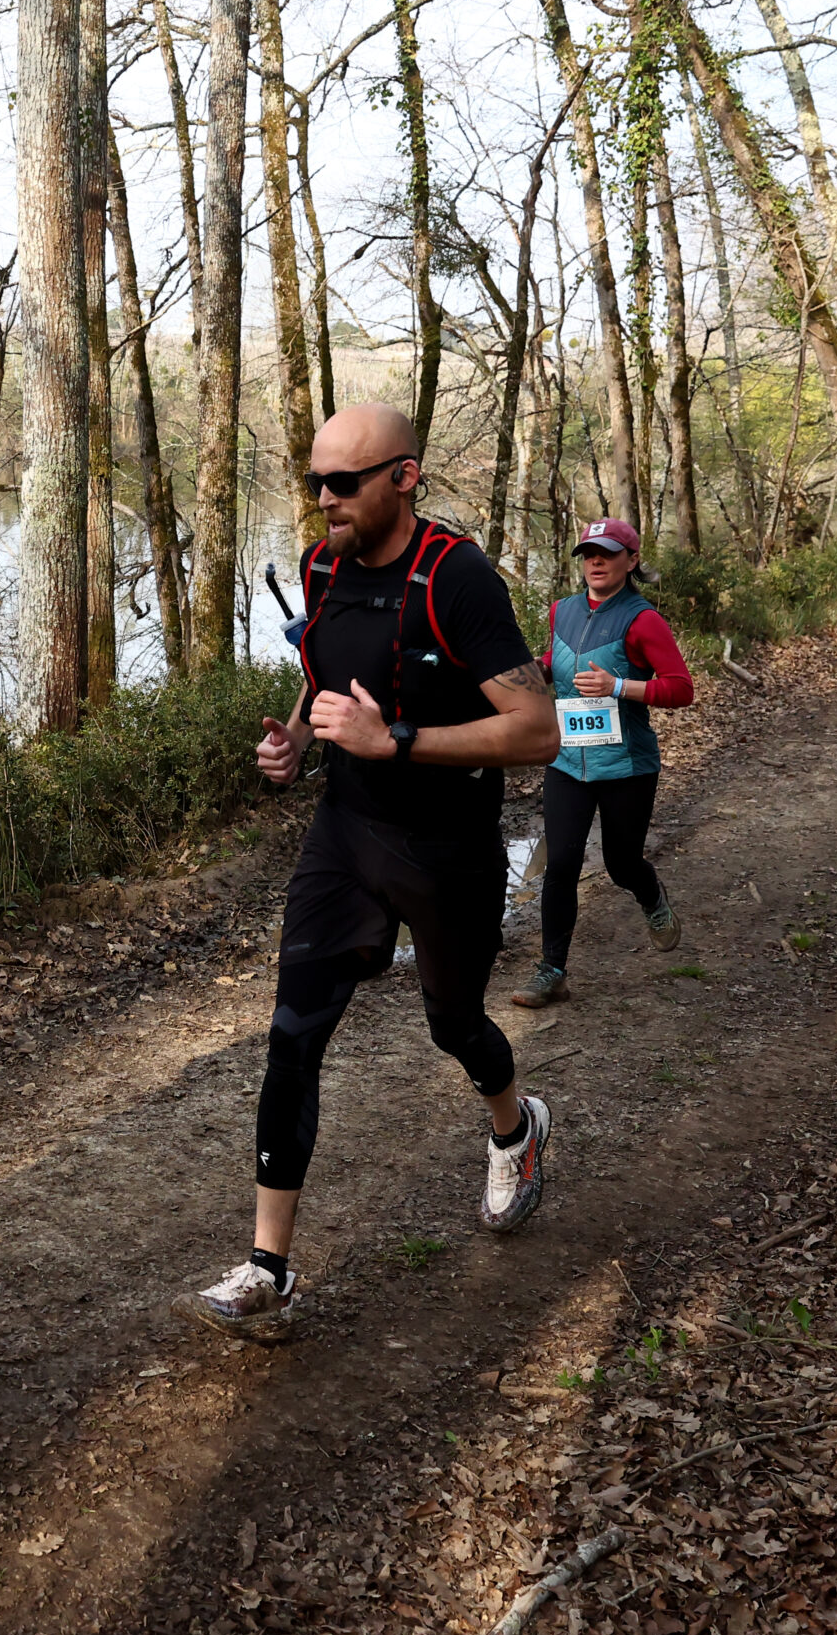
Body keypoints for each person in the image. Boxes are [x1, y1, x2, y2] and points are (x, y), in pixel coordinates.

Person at [171, 403, 560, 1344]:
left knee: (454, 1024)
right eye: (314, 480)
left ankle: (516, 1128)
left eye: (342, 482)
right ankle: (269, 1268)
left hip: (447, 847)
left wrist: (399, 740)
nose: (323, 498)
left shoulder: (457, 578)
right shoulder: (322, 568)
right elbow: (324, 679)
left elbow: (538, 730)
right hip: (344, 836)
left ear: (404, 477)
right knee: (292, 1037)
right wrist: (295, 741)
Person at [510, 518, 696, 1009]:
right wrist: (528, 674)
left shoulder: (644, 620)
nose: (596, 560)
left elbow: (681, 688)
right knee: (561, 864)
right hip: (567, 760)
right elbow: (557, 658)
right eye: (588, 553)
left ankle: (650, 894)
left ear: (631, 561)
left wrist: (618, 686)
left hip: (626, 766)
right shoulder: (563, 610)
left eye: (608, 553)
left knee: (621, 863)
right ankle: (551, 972)